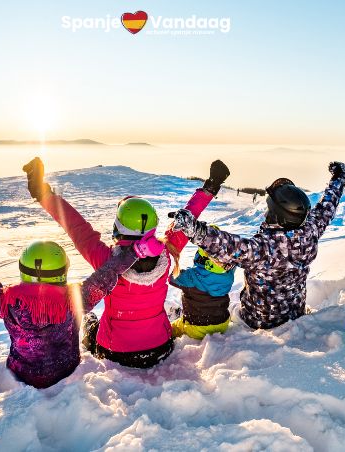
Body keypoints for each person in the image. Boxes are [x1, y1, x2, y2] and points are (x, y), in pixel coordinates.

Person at [23, 157, 230, 368]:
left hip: (116, 352)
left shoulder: (107, 261)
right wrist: (210, 187)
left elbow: (76, 227)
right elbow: (188, 217)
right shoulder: (167, 253)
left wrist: (43, 194)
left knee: (90, 322)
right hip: (160, 346)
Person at [0, 231, 165, 388]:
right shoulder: (76, 299)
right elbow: (108, 274)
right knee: (90, 321)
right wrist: (136, 251)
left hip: (23, 375)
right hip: (67, 370)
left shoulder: (5, 301)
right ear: (62, 272)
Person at [170, 161, 345, 330]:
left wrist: (193, 229)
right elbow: (327, 207)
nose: (266, 213)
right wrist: (339, 178)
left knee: (229, 312)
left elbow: (227, 246)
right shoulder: (310, 231)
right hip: (295, 313)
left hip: (257, 321)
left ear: (278, 216)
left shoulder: (264, 248)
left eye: (269, 209)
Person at [169, 226, 236, 340]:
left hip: (197, 327)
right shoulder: (228, 274)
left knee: (171, 329)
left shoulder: (191, 276)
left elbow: (172, 278)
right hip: (222, 324)